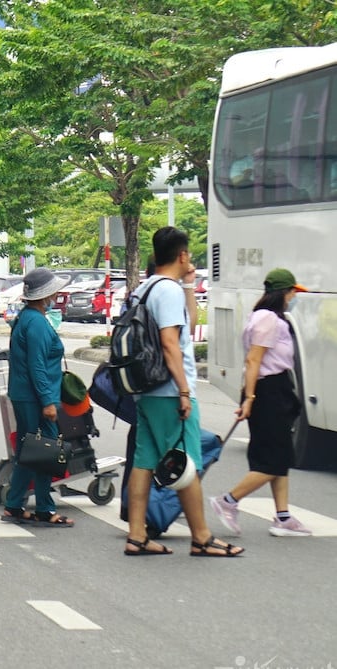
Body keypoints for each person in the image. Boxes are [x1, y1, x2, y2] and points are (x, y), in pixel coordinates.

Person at [124, 227, 243, 557]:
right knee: (187, 463)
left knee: (144, 462)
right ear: (183, 255)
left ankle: (137, 535)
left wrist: (189, 284)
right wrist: (183, 390)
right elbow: (171, 343)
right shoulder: (168, 291)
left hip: (145, 391)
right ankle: (202, 537)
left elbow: (186, 328)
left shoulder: (145, 288)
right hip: (168, 391)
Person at [209, 268, 312, 538]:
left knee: (279, 456)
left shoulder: (261, 316)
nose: (293, 298)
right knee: (274, 460)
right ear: (283, 292)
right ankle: (228, 501)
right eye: (292, 292)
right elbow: (254, 360)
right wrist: (251, 398)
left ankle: (283, 516)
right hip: (269, 391)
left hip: (271, 390)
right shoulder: (268, 320)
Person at [1, 267, 76, 527]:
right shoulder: (36, 323)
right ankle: (44, 507)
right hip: (35, 397)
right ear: (46, 295)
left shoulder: (28, 318)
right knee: (45, 451)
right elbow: (37, 366)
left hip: (26, 395)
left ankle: (14, 503)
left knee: (29, 451)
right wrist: (47, 401)